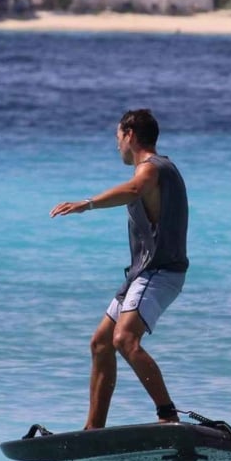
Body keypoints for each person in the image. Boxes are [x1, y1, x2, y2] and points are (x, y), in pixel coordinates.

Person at [51, 108, 190, 430]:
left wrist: (88, 204)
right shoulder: (154, 170)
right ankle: (93, 429)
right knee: (100, 342)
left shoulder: (153, 169)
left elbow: (134, 189)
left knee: (124, 339)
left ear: (129, 135)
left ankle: (167, 415)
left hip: (161, 272)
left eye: (117, 138)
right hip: (141, 274)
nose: (117, 147)